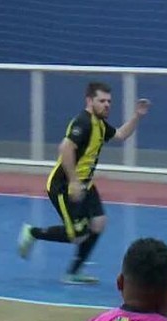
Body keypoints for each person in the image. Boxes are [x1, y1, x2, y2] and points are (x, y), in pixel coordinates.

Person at [17, 81, 150, 284]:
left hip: (85, 184)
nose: (107, 105)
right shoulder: (83, 122)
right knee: (77, 235)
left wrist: (137, 116)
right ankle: (32, 232)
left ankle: (74, 272)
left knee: (98, 223)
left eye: (109, 101)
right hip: (63, 186)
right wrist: (73, 182)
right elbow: (65, 148)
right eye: (101, 101)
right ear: (89, 101)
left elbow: (121, 135)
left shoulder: (100, 124)